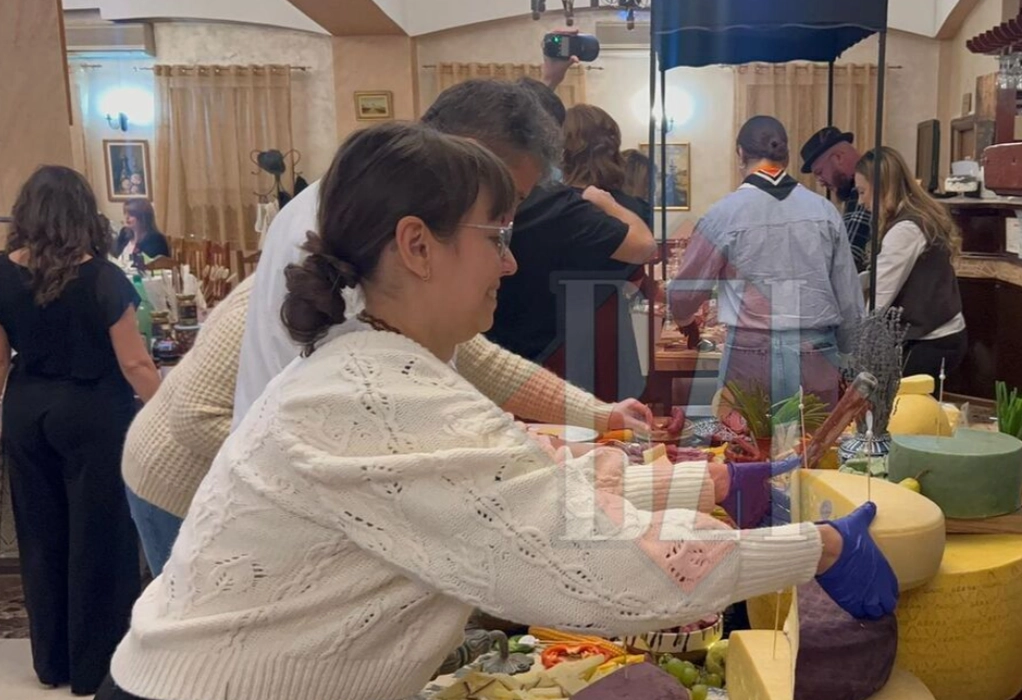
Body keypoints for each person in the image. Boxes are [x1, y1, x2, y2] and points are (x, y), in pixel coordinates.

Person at [97, 122, 898, 700]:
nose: (510, 264)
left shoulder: (385, 363)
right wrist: (819, 547)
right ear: (417, 245)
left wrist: (719, 487)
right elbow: (597, 566)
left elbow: (534, 484)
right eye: (497, 237)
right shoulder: (379, 395)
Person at [235, 78, 653, 433]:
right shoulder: (355, 222)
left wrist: (596, 414)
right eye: (500, 209)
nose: (509, 253)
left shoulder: (374, 208)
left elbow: (472, 358)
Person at [0, 166, 161, 695]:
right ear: (82, 214)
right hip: (93, 412)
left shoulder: (1, 273)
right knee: (100, 536)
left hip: (27, 410)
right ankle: (95, 665)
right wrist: (167, 414)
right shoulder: (103, 278)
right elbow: (135, 364)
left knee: (40, 534)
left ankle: (52, 661)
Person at [668, 116, 864, 408]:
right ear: (786, 156)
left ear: (740, 154)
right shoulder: (825, 212)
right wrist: (849, 360)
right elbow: (849, 304)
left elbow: (684, 294)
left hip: (749, 355)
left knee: (744, 438)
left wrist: (685, 320)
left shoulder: (721, 215)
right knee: (816, 438)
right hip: (816, 354)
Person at [487, 104, 656, 401]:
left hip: (527, 341)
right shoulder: (625, 209)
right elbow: (640, 265)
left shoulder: (537, 203)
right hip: (606, 343)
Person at [121, 274, 255, 577]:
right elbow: (194, 417)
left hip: (207, 479)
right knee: (186, 597)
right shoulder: (263, 304)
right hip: (174, 476)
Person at [854, 147, 967, 381]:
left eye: (862, 192)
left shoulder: (905, 230)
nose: (860, 201)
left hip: (931, 342)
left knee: (894, 403)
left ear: (883, 187)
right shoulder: (918, 215)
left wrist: (853, 346)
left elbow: (878, 299)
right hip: (944, 334)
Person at [801, 126, 873, 272]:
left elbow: (848, 259)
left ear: (838, 158)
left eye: (819, 172)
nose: (820, 182)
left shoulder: (860, 191)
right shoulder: (864, 183)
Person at [113, 198, 171, 263]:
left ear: (143, 217)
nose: (127, 217)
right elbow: (115, 256)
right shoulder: (124, 234)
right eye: (125, 213)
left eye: (131, 214)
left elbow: (154, 264)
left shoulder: (156, 240)